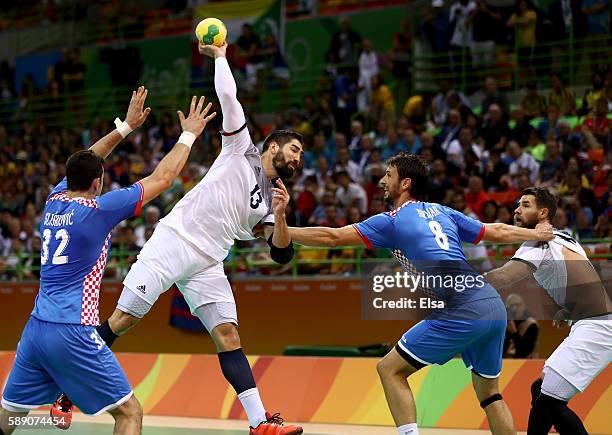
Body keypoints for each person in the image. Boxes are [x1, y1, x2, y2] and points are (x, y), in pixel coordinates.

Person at [54, 42, 304, 435]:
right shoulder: (242, 148)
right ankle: (68, 390)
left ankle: (260, 423)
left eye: (301, 154)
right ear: (273, 146)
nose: (297, 158)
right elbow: (228, 95)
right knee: (122, 321)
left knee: (228, 334)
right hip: (174, 240)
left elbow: (281, 255)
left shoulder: (273, 202)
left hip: (209, 261)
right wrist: (220, 55)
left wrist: (282, 215)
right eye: (294, 149)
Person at [273, 152, 555, 435]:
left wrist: (279, 228)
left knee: (390, 370)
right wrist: (536, 234)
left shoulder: (391, 220)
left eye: (388, 175)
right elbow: (497, 232)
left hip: (462, 306)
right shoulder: (444, 211)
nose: (382, 181)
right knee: (490, 394)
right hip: (492, 304)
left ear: (405, 183)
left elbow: (332, 237)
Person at [0, 87, 217, 434]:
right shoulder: (98, 210)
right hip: (74, 330)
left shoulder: (53, 199)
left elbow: (86, 158)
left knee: (8, 419)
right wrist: (189, 133)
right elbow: (162, 178)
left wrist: (125, 127)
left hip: (36, 329)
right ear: (98, 183)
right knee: (130, 413)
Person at [484, 187, 612, 435]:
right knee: (540, 391)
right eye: (518, 205)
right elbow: (579, 275)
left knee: (549, 402)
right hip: (592, 324)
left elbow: (502, 277)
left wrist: (458, 284)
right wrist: (567, 309)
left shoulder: (539, 243)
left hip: (598, 328)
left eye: (526, 205)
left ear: (543, 213)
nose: (517, 209)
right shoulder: (566, 238)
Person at [503, 294, 539, 358]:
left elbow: (525, 352)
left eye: (517, 305)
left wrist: (514, 332)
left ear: (523, 306)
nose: (514, 308)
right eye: (511, 306)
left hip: (525, 363)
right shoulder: (506, 322)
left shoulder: (531, 324)